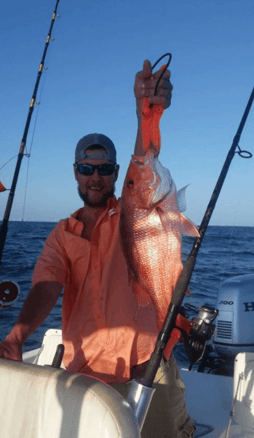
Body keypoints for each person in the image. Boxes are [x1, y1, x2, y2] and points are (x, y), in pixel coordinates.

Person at [0, 60, 195, 437]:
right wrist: (16, 335)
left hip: (149, 366)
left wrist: (148, 112)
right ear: (75, 172)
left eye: (105, 170)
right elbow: (46, 286)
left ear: (116, 174)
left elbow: (146, 156)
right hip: (87, 380)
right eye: (86, 169)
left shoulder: (133, 211)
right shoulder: (61, 234)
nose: (95, 177)